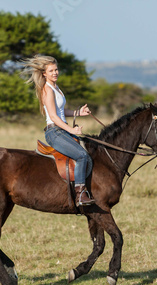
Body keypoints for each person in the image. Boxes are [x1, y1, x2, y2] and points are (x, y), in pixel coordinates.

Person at [21, 55, 95, 206]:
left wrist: (77, 113)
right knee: (82, 156)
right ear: (44, 73)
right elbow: (54, 117)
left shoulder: (56, 88)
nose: (55, 73)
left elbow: (61, 111)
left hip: (62, 130)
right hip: (55, 132)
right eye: (51, 70)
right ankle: (80, 195)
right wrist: (72, 130)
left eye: (56, 69)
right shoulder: (47, 89)